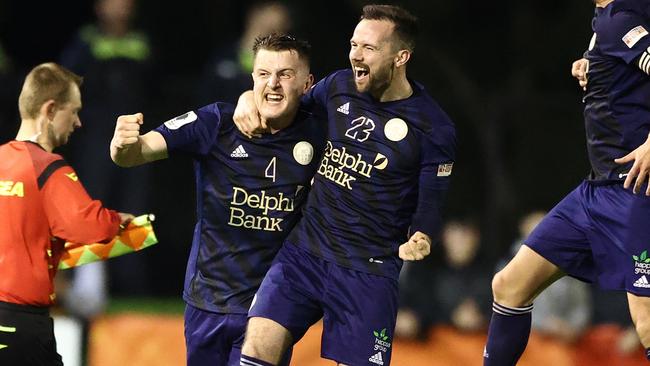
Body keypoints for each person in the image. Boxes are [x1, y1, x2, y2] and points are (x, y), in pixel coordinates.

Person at [234, 5, 456, 366]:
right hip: (304, 253)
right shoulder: (337, 86)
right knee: (257, 346)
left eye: (369, 48)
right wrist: (248, 97)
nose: (355, 55)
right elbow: (286, 108)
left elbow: (431, 202)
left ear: (401, 57)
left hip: (368, 272)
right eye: (354, 44)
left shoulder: (434, 127)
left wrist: (423, 237)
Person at [110, 34, 325, 366]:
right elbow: (135, 153)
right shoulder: (216, 123)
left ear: (307, 83)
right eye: (264, 74)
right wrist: (122, 146)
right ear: (252, 77)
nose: (274, 84)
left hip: (269, 306)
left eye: (285, 74)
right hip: (207, 300)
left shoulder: (319, 131)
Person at [483, 1, 650, 364]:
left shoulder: (621, 18)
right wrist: (599, 67)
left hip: (635, 191)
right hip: (595, 193)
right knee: (509, 285)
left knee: (647, 322)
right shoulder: (610, 18)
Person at [0, 62, 132, 365]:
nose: (77, 122)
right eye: (73, 111)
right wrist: (117, 222)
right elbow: (89, 228)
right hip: (20, 324)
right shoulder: (47, 167)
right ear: (49, 110)